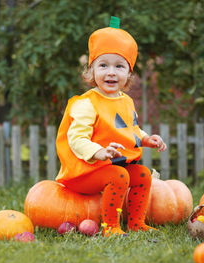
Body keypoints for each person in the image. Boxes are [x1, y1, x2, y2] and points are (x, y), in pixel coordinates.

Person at [55, 16, 167, 237]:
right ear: (91, 71)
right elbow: (76, 139)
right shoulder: (86, 103)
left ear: (128, 73)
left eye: (119, 66)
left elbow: (130, 129)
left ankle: (136, 223)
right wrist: (98, 152)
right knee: (119, 176)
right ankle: (110, 227)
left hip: (109, 169)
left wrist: (146, 139)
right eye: (103, 65)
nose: (111, 72)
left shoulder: (125, 101)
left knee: (143, 174)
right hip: (84, 172)